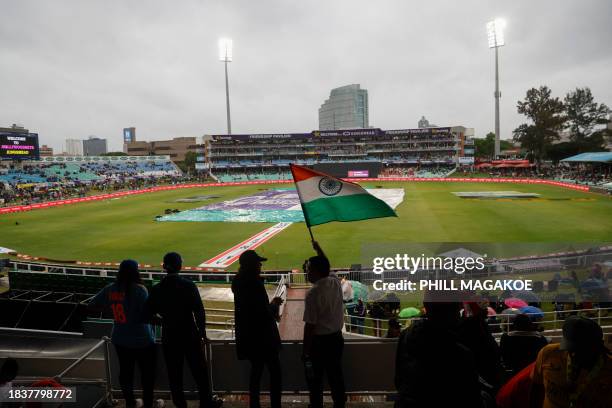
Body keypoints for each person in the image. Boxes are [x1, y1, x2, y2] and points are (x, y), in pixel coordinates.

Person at [146, 253, 218, 408]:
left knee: (174, 374)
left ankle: (180, 404)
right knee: (200, 372)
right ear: (180, 266)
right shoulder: (188, 285)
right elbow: (199, 310)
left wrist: (164, 322)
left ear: (164, 266)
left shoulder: (157, 288)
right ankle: (206, 403)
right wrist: (202, 333)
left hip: (169, 336)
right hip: (189, 333)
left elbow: (147, 314)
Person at [89, 260, 162, 408]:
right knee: (147, 375)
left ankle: (131, 403)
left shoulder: (111, 289)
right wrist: (162, 320)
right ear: (136, 272)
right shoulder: (140, 290)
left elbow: (91, 306)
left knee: (126, 373)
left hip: (120, 338)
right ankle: (149, 404)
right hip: (143, 339)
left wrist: (112, 311)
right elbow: (146, 315)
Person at [394, 300, 482, 408]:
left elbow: (398, 381)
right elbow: (473, 399)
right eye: (457, 306)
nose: (460, 308)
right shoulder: (461, 354)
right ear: (453, 310)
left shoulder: (405, 337)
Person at [231, 250, 283, 408]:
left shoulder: (238, 282)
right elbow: (262, 313)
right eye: (258, 263)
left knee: (256, 373)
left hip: (249, 337)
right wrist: (274, 304)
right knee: (275, 373)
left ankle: (254, 405)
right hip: (264, 338)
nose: (260, 265)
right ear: (251, 265)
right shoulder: (255, 284)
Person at [530, 316, 612, 408]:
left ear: (597, 346)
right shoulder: (548, 353)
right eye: (570, 348)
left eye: (580, 350)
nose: (573, 354)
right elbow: (536, 389)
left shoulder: (609, 368)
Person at [302, 240, 346, 408]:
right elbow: (326, 265)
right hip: (336, 340)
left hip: (319, 345)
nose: (307, 272)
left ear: (316, 271)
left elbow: (310, 325)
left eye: (309, 269)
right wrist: (318, 248)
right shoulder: (334, 282)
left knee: (315, 380)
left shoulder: (313, 293)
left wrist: (305, 352)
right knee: (336, 376)